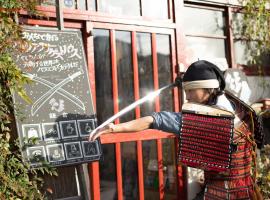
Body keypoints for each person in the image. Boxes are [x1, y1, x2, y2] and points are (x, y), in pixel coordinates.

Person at [89, 60, 262, 199]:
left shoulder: (203, 120)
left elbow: (153, 120)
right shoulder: (239, 108)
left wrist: (113, 128)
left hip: (221, 193)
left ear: (208, 88)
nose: (187, 96)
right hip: (247, 190)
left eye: (191, 90)